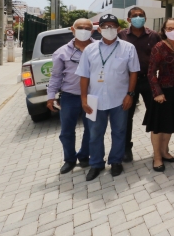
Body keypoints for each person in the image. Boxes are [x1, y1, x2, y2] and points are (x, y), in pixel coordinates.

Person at [77, 14, 140, 181]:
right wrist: (83, 99)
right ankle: (96, 164)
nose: (109, 29)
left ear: (118, 29)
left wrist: (130, 94)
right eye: (105, 26)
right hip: (94, 99)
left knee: (119, 131)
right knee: (95, 133)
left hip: (120, 99)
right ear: (99, 29)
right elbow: (83, 76)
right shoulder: (90, 49)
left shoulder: (128, 48)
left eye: (113, 26)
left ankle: (116, 161)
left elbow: (134, 72)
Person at [47, 18, 95, 174]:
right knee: (67, 131)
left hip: (92, 97)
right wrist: (50, 96)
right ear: (72, 29)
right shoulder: (61, 52)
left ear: (92, 31)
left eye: (87, 28)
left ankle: (84, 156)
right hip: (70, 96)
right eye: (80, 27)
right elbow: (56, 76)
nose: (83, 30)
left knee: (92, 129)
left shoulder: (99, 48)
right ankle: (69, 159)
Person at [118, 7, 161, 162]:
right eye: (134, 16)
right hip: (128, 81)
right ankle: (126, 149)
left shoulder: (154, 35)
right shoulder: (121, 35)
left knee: (156, 114)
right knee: (126, 116)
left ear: (145, 18)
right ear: (129, 19)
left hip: (149, 80)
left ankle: (160, 149)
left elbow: (161, 54)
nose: (138, 18)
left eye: (141, 16)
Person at [146, 18, 174, 172]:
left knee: (169, 124)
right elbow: (151, 72)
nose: (173, 31)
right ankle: (157, 157)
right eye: (169, 28)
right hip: (162, 91)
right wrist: (157, 92)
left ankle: (165, 152)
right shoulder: (159, 47)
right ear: (164, 30)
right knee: (158, 126)